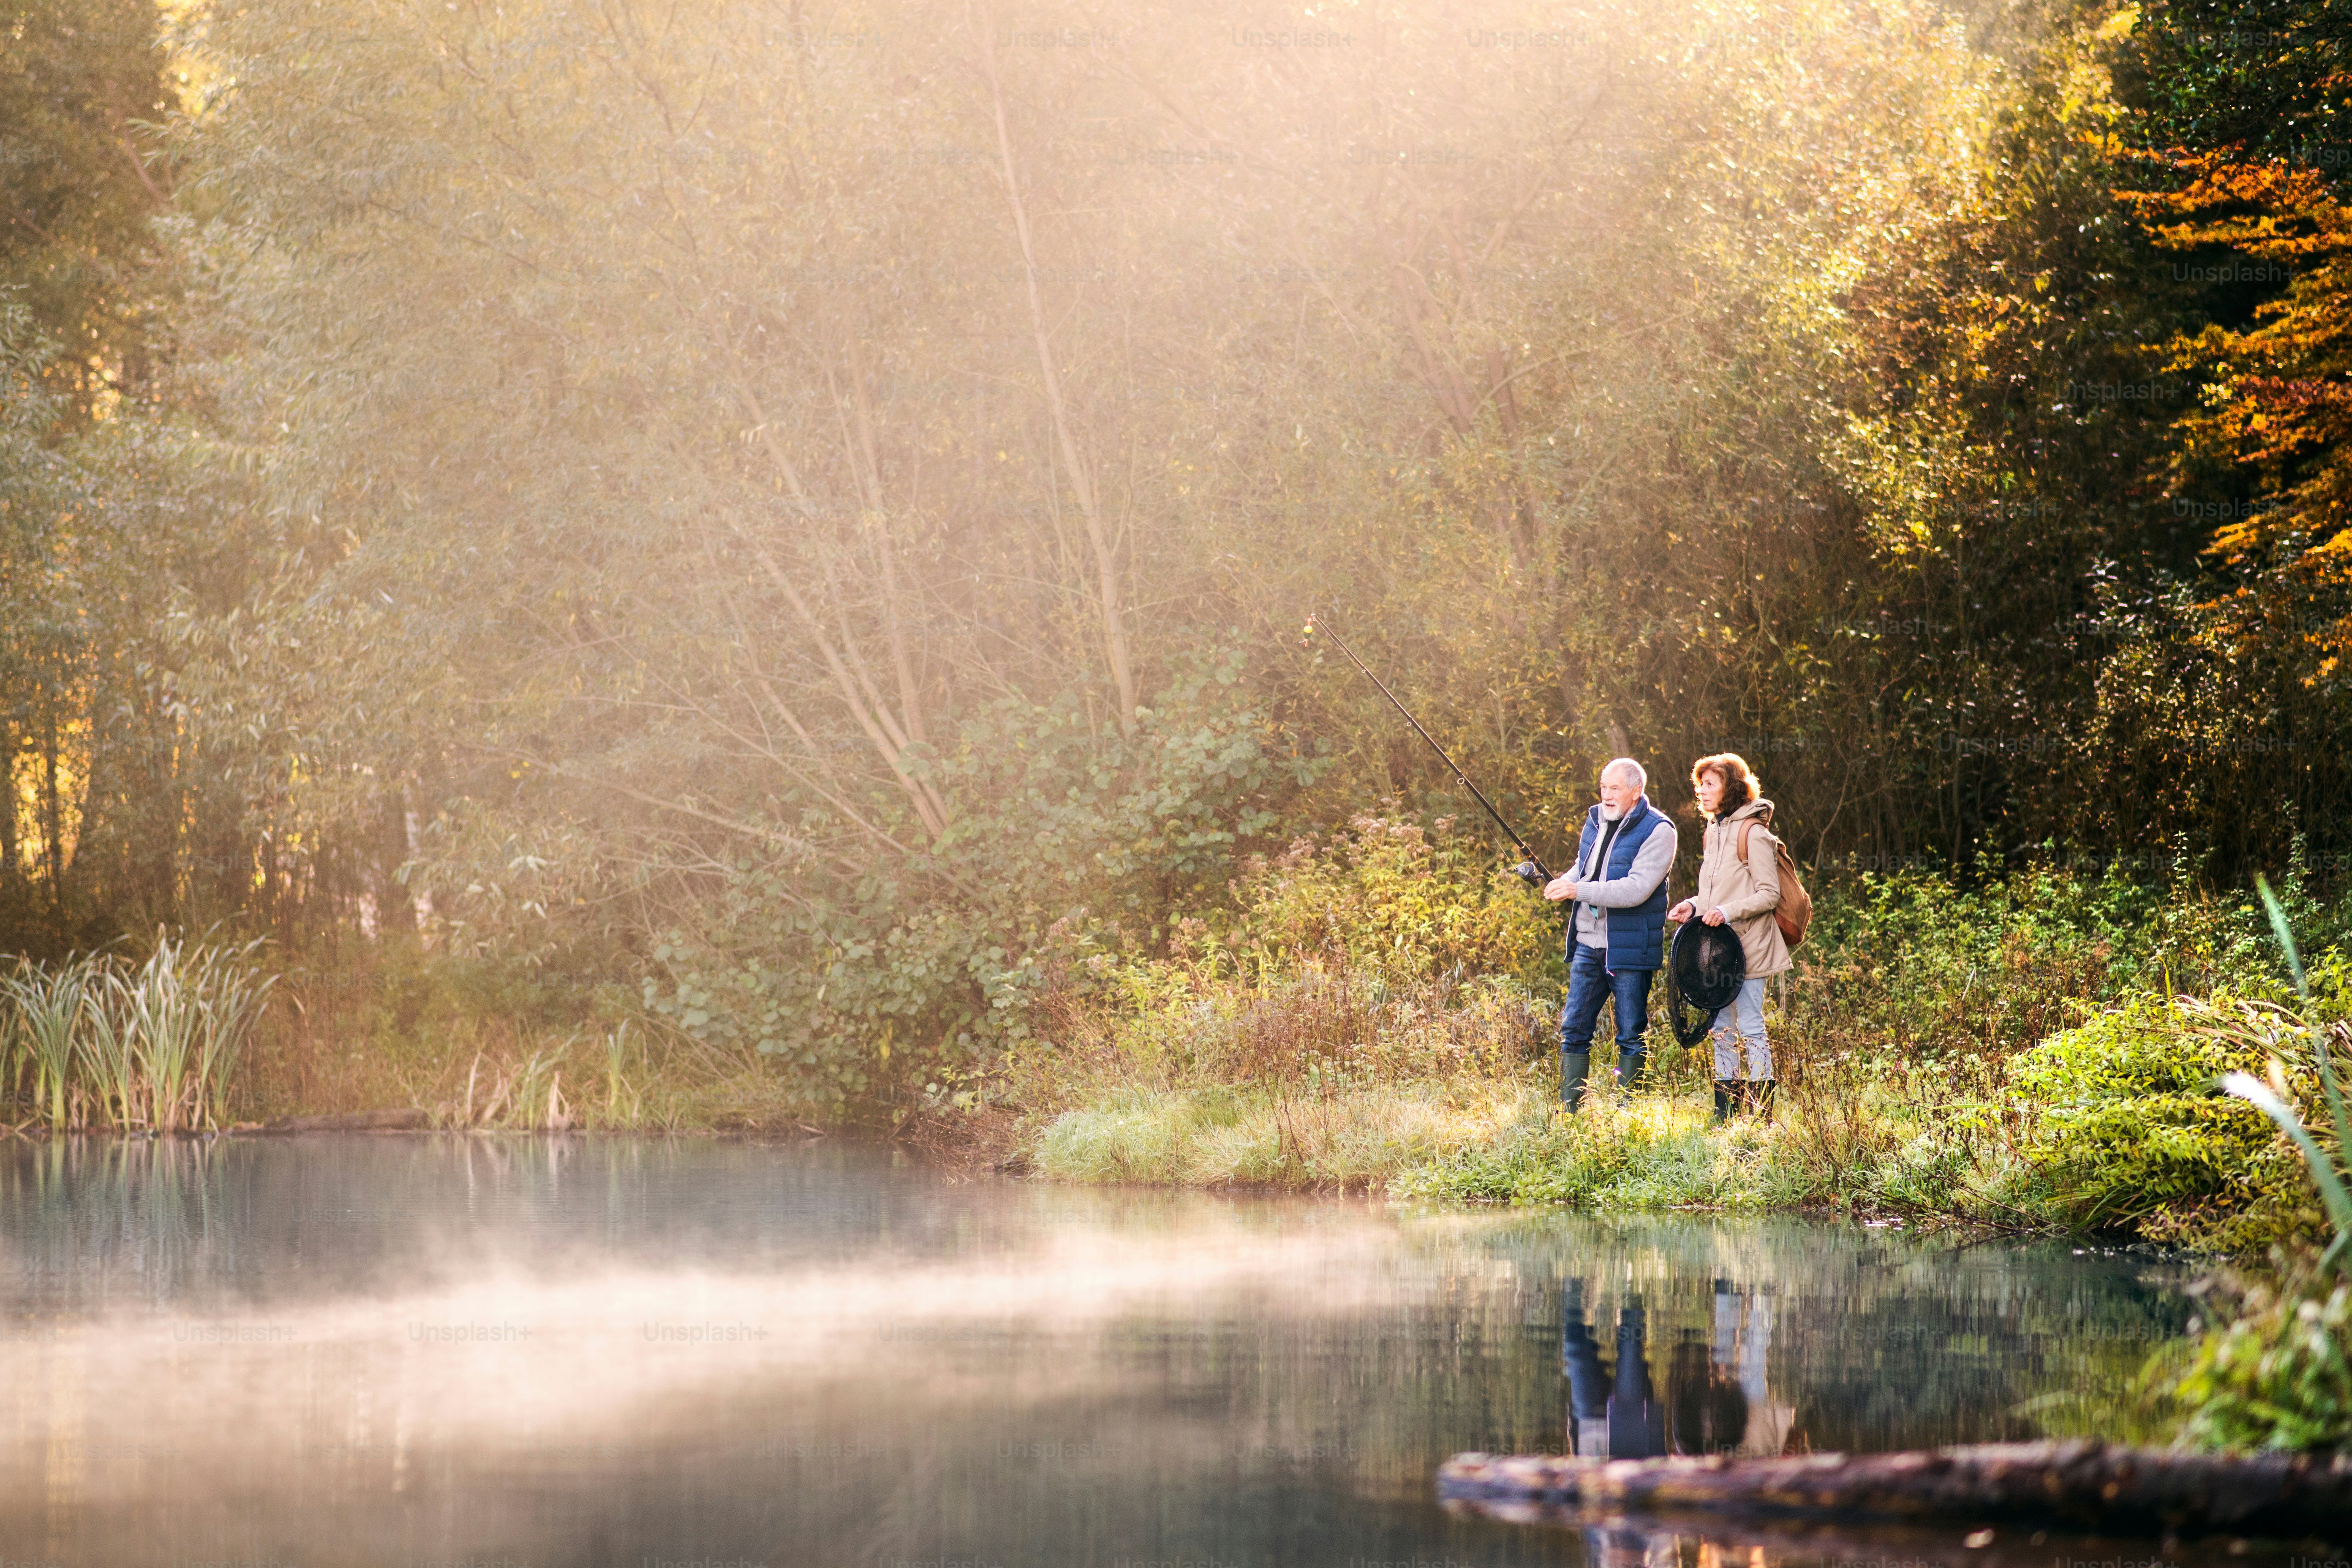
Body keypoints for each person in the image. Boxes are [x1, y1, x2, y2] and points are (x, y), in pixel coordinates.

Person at [1544, 758, 1676, 1108]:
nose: (1606, 795)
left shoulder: (1659, 830)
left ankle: (1628, 1114)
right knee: (1574, 1029)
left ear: (1636, 791)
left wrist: (1578, 891)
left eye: (1615, 788)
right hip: (1588, 944)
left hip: (1629, 949)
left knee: (1631, 1034)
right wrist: (1563, 883)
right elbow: (1583, 868)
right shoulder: (1595, 821)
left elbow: (1636, 889)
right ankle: (1571, 1111)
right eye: (1603, 787)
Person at [1668, 752, 1787, 1121]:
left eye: (1710, 785)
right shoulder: (1714, 831)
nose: (1702, 792)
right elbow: (1717, 891)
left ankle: (1762, 1115)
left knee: (1751, 1027)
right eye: (1700, 785)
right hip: (1718, 950)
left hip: (1750, 945)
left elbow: (1770, 894)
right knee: (1720, 1028)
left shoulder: (1754, 833)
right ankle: (1726, 1114)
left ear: (1731, 788)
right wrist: (1693, 905)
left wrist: (1727, 912)